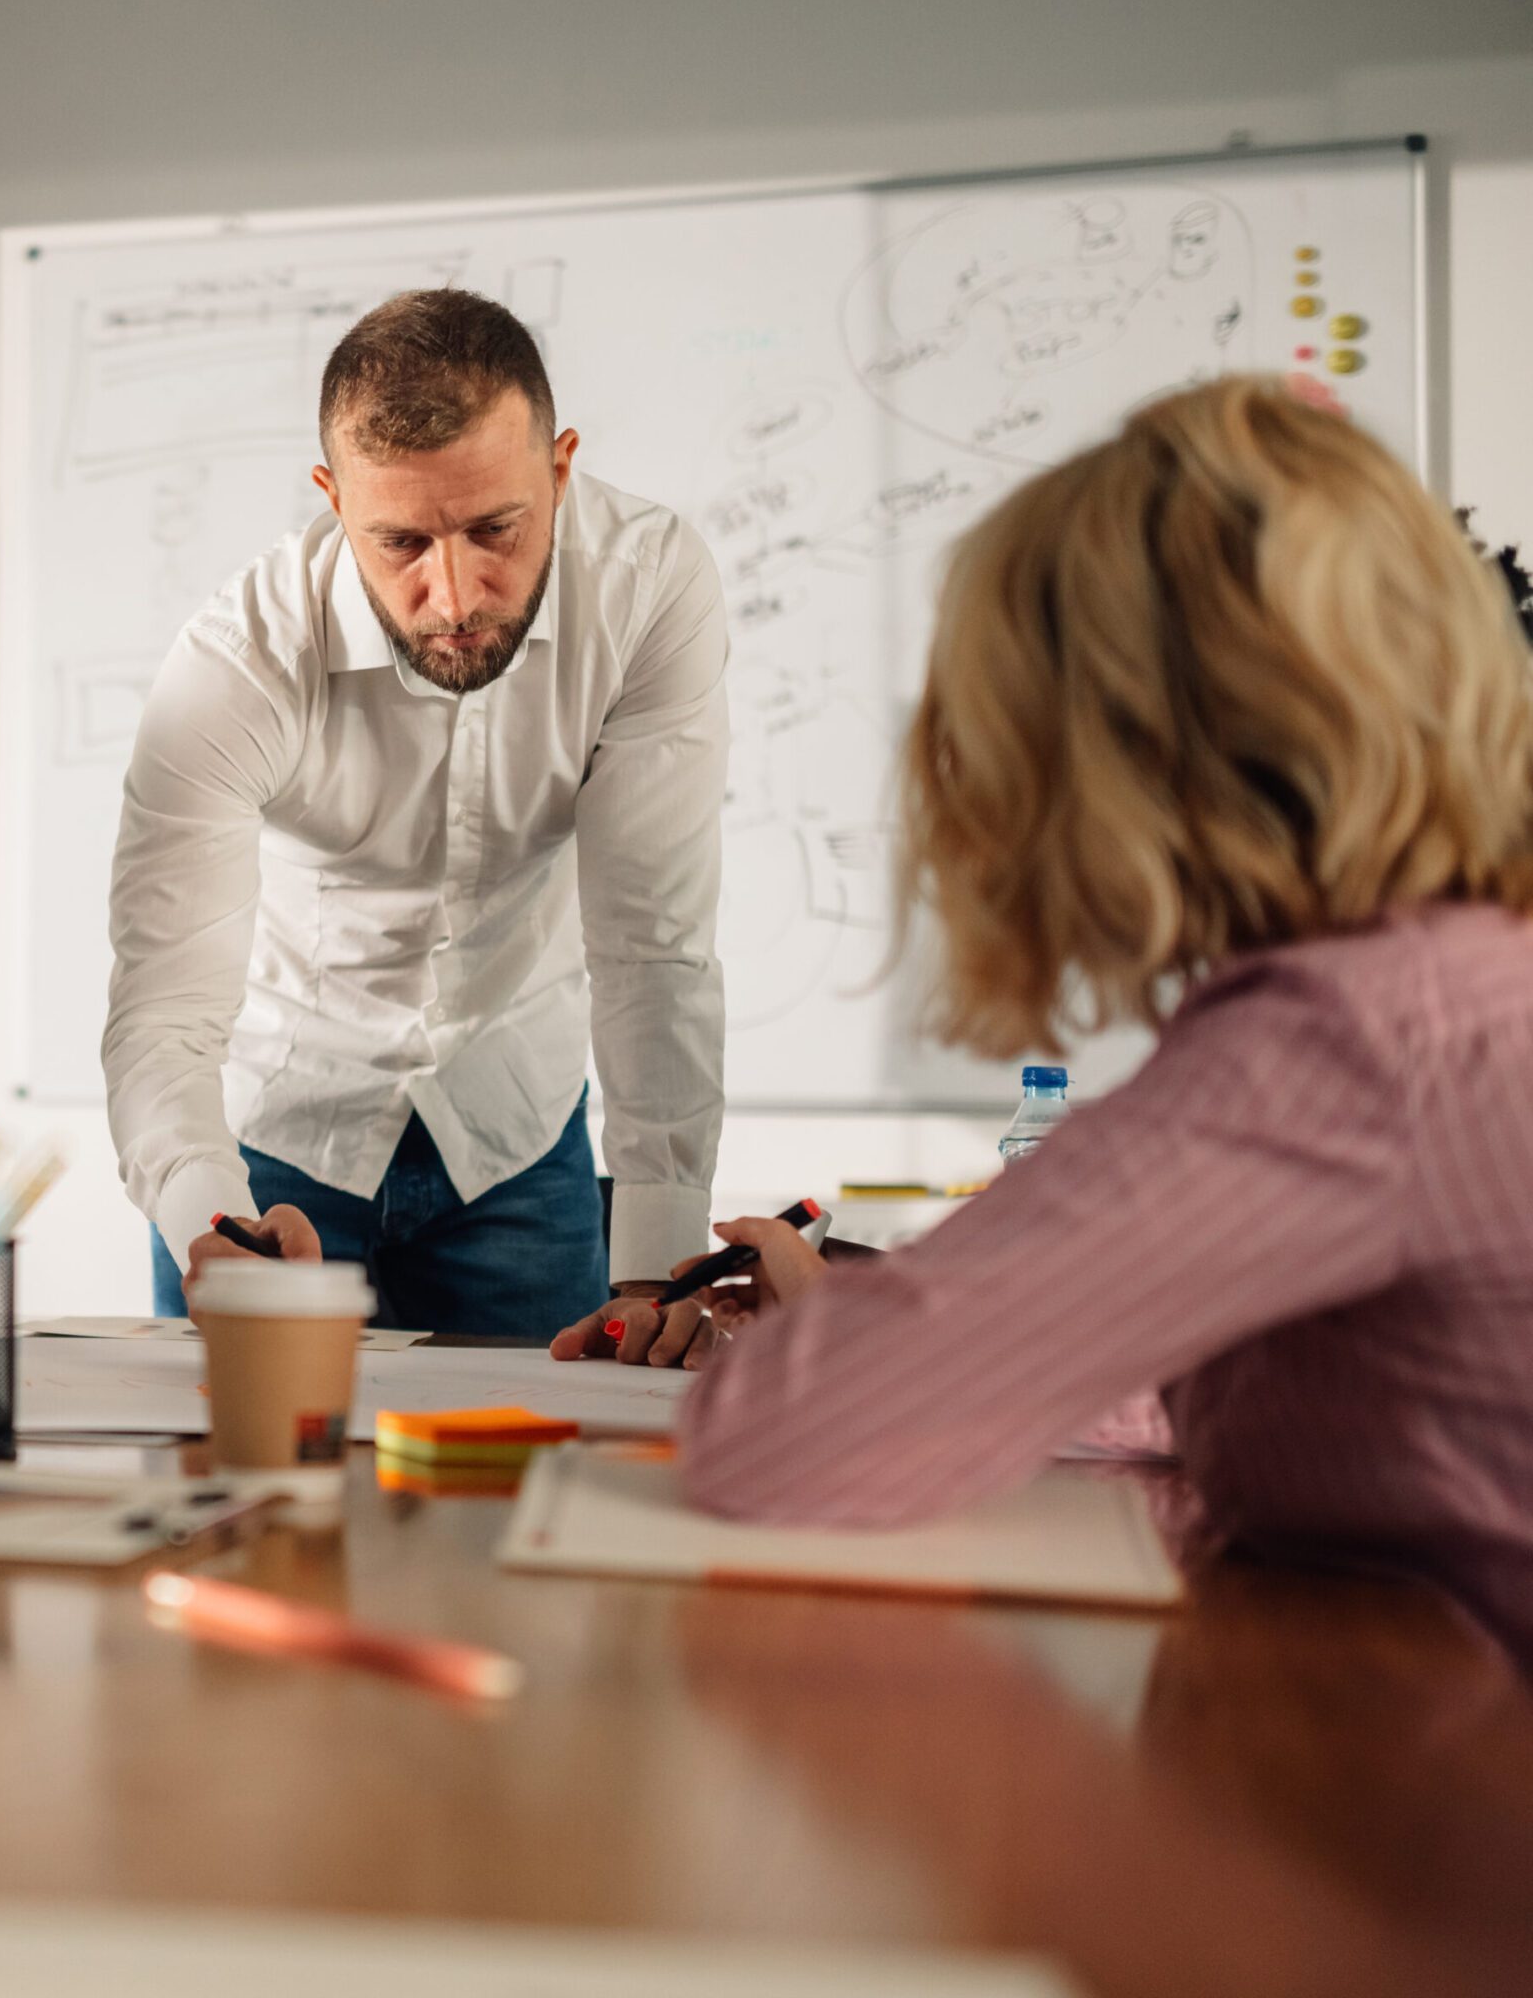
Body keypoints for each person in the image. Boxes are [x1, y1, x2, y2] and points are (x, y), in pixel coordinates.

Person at [559, 378, 1533, 1661]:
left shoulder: (1350, 1042)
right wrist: (896, 1311)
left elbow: (790, 1441)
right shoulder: (1463, 981)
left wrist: (852, 1346)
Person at [103, 289, 729, 1336]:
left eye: (496, 528)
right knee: (248, 1489)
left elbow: (651, 942)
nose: (454, 595)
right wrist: (207, 1217)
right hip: (272, 1146)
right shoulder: (237, 665)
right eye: (399, 542)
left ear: (561, 468)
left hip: (517, 1135)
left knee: (541, 1482)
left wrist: (661, 1263)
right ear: (332, 500)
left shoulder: (648, 588)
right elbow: (162, 1006)